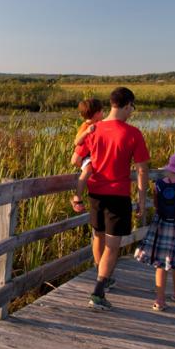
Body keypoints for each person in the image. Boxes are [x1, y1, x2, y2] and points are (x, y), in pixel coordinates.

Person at [70, 87, 150, 310]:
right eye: (132, 107)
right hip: (117, 194)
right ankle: (98, 290)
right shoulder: (133, 133)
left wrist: (92, 165)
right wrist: (142, 199)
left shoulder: (93, 129)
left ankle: (101, 277)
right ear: (126, 105)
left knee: (98, 237)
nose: (132, 112)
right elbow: (142, 170)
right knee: (113, 245)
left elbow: (76, 158)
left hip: (95, 193)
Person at [134, 153, 175, 311]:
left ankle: (160, 299)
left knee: (160, 263)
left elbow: (157, 205)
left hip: (161, 224)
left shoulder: (158, 184)